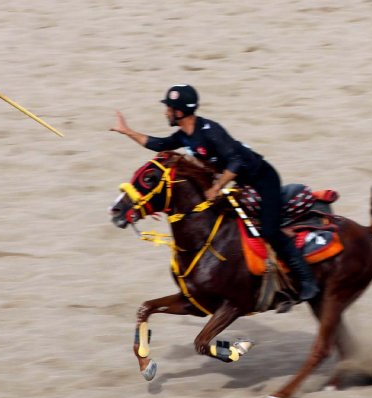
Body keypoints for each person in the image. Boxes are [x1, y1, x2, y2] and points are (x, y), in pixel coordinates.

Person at [110, 85, 320, 302]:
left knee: (269, 230)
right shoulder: (184, 135)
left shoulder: (210, 131)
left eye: (169, 109)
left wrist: (216, 186)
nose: (166, 112)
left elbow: (236, 160)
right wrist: (128, 132)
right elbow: (159, 144)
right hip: (239, 183)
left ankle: (307, 281)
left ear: (180, 112)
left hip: (263, 180)